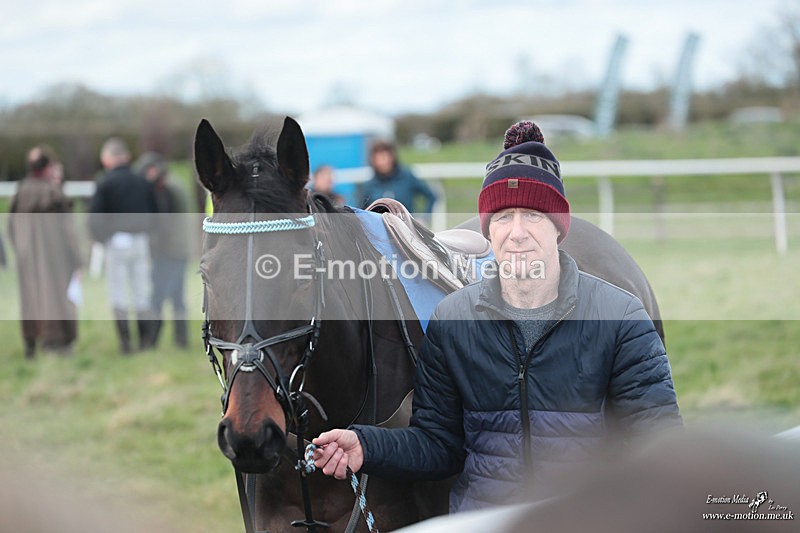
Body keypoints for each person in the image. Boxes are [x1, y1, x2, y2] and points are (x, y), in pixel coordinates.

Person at [313, 121, 682, 513]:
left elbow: (659, 445)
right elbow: (438, 444)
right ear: (488, 230)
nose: (517, 232)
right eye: (503, 216)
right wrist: (366, 445)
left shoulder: (620, 318)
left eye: (533, 215)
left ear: (558, 227)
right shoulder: (453, 320)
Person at [8, 145, 83, 358]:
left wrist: (21, 251)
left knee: (31, 299)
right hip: (54, 259)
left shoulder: (19, 193)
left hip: (27, 260)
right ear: (48, 167)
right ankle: (57, 343)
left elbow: (11, 229)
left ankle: (31, 342)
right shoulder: (54, 194)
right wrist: (77, 260)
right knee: (56, 299)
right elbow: (68, 231)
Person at [88, 138, 158, 354]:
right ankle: (145, 341)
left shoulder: (104, 183)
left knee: (117, 293)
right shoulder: (141, 180)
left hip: (116, 241)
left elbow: (94, 218)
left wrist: (102, 239)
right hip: (140, 240)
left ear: (107, 159)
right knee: (141, 292)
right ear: (126, 157)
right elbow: (155, 212)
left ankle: (126, 343)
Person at [133, 152, 191, 348]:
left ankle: (151, 341)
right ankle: (181, 340)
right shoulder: (175, 183)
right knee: (176, 297)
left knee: (158, 297)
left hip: (170, 252)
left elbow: (164, 224)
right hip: (179, 250)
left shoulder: (167, 189)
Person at [359, 139, 437, 216]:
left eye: (385, 156)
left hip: (406, 226)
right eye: (379, 158)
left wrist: (423, 218)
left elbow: (431, 196)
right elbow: (361, 212)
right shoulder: (369, 186)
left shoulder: (407, 177)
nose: (383, 161)